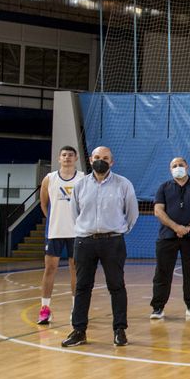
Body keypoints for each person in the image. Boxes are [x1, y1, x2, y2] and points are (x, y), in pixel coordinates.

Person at [61, 146, 139, 348]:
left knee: (116, 286)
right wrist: (85, 230)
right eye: (97, 157)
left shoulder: (124, 184)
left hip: (113, 241)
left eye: (105, 158)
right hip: (85, 241)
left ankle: (119, 330)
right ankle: (79, 330)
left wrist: (119, 231)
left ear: (112, 162)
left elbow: (132, 214)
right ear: (90, 159)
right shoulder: (80, 185)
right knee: (82, 287)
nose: (100, 160)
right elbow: (74, 213)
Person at [149, 156, 190, 320]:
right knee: (162, 273)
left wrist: (188, 228)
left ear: (187, 166)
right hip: (167, 237)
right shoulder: (163, 187)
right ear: (170, 169)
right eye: (174, 165)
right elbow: (158, 211)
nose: (178, 167)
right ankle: (158, 308)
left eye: (180, 164)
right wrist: (176, 227)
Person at [37, 144, 81, 325]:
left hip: (77, 232)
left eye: (70, 155)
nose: (67, 158)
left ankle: (76, 309)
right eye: (64, 155)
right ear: (59, 158)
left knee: (75, 270)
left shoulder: (83, 179)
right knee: (50, 269)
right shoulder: (50, 178)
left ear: (76, 158)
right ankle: (45, 309)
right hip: (54, 232)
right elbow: (43, 204)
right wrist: (55, 219)